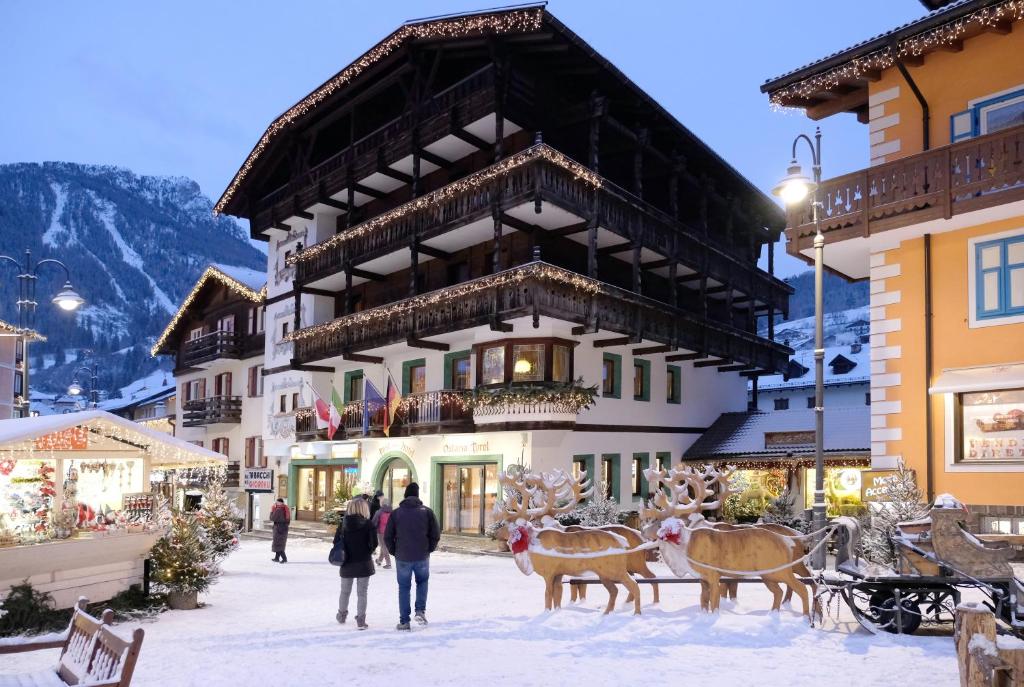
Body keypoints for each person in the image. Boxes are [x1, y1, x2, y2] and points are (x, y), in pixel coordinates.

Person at [383, 482, 439, 631]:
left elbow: (387, 536)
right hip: (422, 555)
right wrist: (429, 548)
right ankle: (420, 611)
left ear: (405, 495)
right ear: (417, 496)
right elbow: (435, 534)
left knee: (404, 587)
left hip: (402, 556)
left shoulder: (396, 513)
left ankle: (404, 621)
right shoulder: (427, 512)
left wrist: (395, 551)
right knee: (422, 582)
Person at [334, 498, 377, 630]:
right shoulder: (368, 524)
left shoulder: (343, 524)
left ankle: (341, 615)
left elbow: (336, 542)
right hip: (364, 562)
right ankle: (361, 620)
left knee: (345, 591)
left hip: (346, 562)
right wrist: (367, 551)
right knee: (362, 593)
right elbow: (374, 543)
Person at [371, 496, 393, 569]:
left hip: (381, 531)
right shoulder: (392, 511)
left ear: (381, 504)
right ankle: (379, 560)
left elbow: (374, 521)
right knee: (384, 546)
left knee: (383, 546)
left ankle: (388, 563)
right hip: (390, 531)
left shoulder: (379, 511)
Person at [269, 498, 290, 563]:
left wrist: (272, 510)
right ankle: (277, 558)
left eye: (277, 502)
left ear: (280, 503)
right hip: (284, 528)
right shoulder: (285, 508)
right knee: (279, 543)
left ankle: (284, 558)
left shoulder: (279, 510)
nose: (276, 503)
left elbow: (272, 518)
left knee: (278, 544)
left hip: (279, 528)